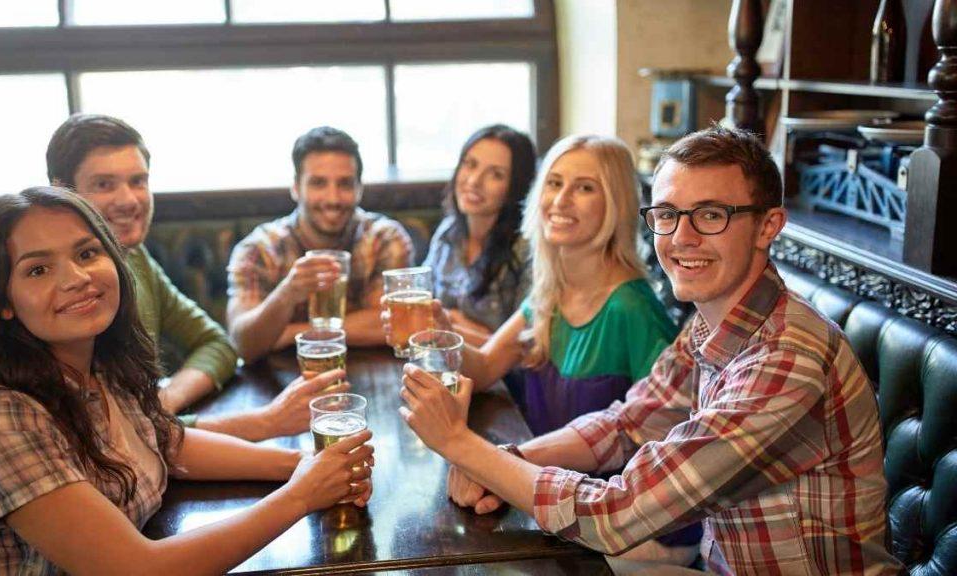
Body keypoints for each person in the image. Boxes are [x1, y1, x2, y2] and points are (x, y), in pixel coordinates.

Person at [398, 126, 904, 574]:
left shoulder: (786, 356)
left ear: (768, 226)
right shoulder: (712, 324)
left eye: (711, 215)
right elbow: (627, 423)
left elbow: (616, 515)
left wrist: (462, 445)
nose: (682, 237)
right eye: (667, 214)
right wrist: (507, 459)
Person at [0, 187, 373, 574]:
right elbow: (139, 568)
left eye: (87, 253)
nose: (76, 279)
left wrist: (300, 466)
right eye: (37, 270)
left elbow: (165, 440)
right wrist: (300, 495)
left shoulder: (95, 356)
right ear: (3, 302)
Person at [389, 134, 700, 563]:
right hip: (550, 502)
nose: (562, 199)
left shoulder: (632, 306)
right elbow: (483, 370)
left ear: (617, 205)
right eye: (554, 183)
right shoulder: (548, 292)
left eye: (585, 187)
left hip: (633, 531)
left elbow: (668, 445)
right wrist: (440, 328)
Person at [47, 114, 344, 441]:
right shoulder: (61, 289)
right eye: (104, 185)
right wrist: (263, 424)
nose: (129, 200)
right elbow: (111, 436)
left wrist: (166, 398)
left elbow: (218, 345)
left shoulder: (134, 258)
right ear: (61, 191)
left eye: (138, 181)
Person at [227, 126, 414, 362]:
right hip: (279, 383)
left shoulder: (384, 238)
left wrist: (291, 333)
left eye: (345, 184)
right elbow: (241, 343)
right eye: (318, 183)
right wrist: (287, 293)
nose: (333, 198)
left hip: (376, 376)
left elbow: (393, 324)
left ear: (359, 189)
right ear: (296, 187)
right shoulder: (260, 250)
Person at [422, 125, 536, 347]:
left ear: (516, 186)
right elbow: (421, 309)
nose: (474, 181)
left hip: (503, 381)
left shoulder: (527, 250)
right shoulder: (448, 233)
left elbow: (523, 348)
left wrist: (450, 322)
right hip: (442, 366)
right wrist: (460, 325)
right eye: (470, 164)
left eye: (496, 174)